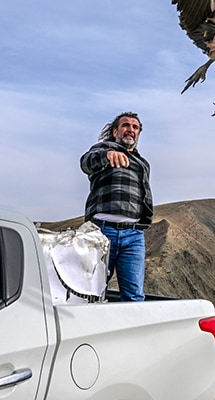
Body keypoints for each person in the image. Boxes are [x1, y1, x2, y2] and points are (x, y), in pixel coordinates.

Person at [80, 111, 153, 301]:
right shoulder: (102, 149)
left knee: (134, 296)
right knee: (91, 293)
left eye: (135, 127)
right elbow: (86, 163)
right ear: (115, 131)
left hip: (134, 235)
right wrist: (107, 155)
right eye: (126, 125)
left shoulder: (143, 163)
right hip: (103, 232)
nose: (131, 130)